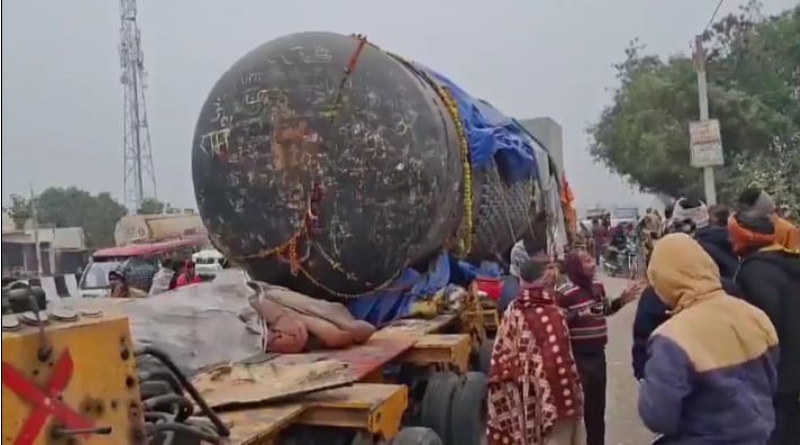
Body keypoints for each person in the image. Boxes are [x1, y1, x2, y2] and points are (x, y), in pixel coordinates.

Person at [638, 233, 778, 444]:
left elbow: (658, 417)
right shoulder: (755, 315)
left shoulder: (671, 338)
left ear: (664, 280)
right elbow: (770, 381)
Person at [488, 259, 586, 445]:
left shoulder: (512, 310)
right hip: (557, 399)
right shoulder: (553, 313)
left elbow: (501, 355)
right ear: (547, 279)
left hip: (523, 396)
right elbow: (560, 364)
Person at [558, 250, 643, 445]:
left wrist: (622, 300)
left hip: (598, 356)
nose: (593, 263)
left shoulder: (597, 286)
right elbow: (558, 321)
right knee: (581, 410)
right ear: (575, 267)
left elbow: (603, 310)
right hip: (578, 357)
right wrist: (577, 315)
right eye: (587, 261)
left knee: (597, 409)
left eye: (592, 259)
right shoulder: (564, 293)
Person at [729, 212, 800, 444]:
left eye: (733, 236)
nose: (730, 242)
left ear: (745, 238)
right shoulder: (791, 262)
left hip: (776, 376)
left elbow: (761, 328)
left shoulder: (753, 273)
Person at [738, 187, 800, 252]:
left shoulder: (787, 231)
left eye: (772, 212)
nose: (773, 218)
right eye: (770, 214)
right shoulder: (732, 237)